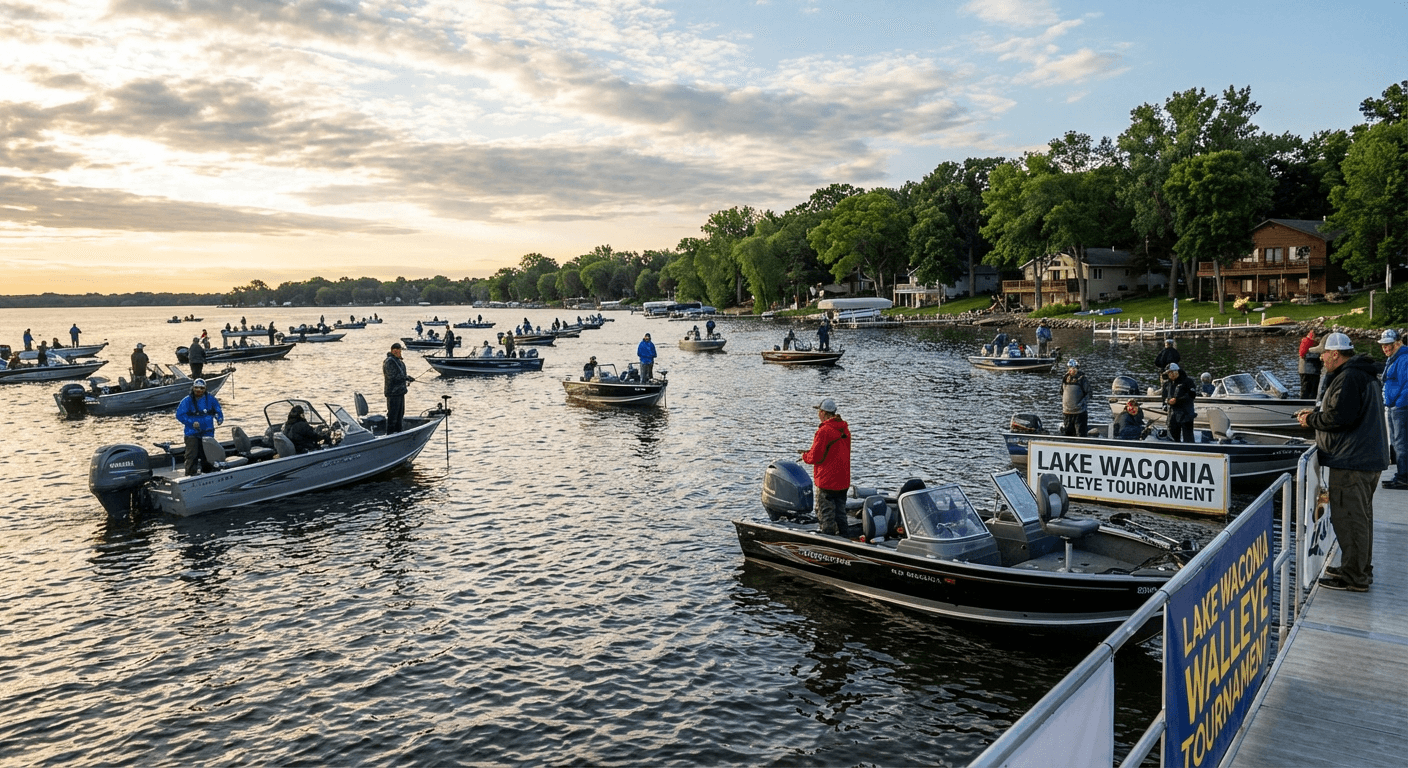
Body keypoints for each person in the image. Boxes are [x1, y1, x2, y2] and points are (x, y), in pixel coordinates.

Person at [1297, 332, 1388, 592]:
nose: (1321, 358)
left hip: (1352, 461)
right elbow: (1346, 412)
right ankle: (1356, 567)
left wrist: (1311, 420)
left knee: (1349, 519)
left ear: (1335, 354)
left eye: (1324, 353)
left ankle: (1355, 577)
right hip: (1363, 458)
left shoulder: (1349, 377)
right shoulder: (1360, 373)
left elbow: (1341, 417)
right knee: (1360, 518)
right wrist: (1318, 415)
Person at [800, 397, 851, 537]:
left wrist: (805, 456)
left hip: (827, 482)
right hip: (843, 481)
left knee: (826, 515)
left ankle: (828, 543)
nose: (818, 414)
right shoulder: (845, 430)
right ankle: (845, 540)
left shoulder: (824, 431)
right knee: (841, 514)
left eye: (819, 411)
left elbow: (814, 457)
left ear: (823, 413)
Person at [1378, 329, 1408, 489]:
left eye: (1389, 345)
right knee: (1397, 443)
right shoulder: (1394, 359)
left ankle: (1404, 477)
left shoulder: (1403, 359)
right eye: (1383, 345)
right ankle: (1401, 475)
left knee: (1402, 444)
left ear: (1398, 343)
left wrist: (1398, 404)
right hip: (1393, 407)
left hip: (1401, 408)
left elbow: (1407, 385)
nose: (1385, 348)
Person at [175, 379, 223, 476]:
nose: (199, 390)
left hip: (207, 432)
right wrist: (191, 422)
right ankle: (189, 475)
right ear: (193, 388)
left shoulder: (211, 399)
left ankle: (208, 474)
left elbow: (218, 411)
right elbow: (179, 415)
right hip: (192, 433)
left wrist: (219, 418)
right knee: (192, 456)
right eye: (196, 388)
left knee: (208, 455)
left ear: (205, 389)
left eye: (201, 388)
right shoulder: (186, 401)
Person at [1162, 363, 1197, 443]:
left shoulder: (1188, 381)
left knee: (1188, 438)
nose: (1172, 375)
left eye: (1173, 372)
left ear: (1178, 371)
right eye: (1169, 373)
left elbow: (1192, 395)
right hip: (1172, 414)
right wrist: (1166, 403)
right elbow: (1164, 397)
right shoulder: (1167, 384)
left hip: (1186, 414)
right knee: (1173, 437)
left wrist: (1177, 400)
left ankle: (1190, 451)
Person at [383, 343, 414, 434]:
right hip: (393, 393)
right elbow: (392, 377)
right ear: (394, 351)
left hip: (400, 392)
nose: (400, 352)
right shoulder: (389, 362)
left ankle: (398, 433)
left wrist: (407, 378)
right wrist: (405, 378)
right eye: (399, 350)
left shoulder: (399, 362)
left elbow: (401, 375)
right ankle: (390, 435)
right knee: (393, 416)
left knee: (400, 416)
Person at [1060, 359, 1091, 437]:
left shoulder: (1082, 379)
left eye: (1074, 368)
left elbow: (1089, 394)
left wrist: (1081, 403)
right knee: (1068, 435)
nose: (1072, 370)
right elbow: (1061, 392)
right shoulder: (1065, 378)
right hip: (1067, 412)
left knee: (1081, 435)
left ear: (1077, 368)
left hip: (1079, 413)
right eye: (1070, 368)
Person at [1299, 328, 1323, 398]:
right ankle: (1306, 404)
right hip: (1310, 371)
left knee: (1306, 390)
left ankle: (1304, 403)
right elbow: (1304, 355)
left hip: (1304, 371)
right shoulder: (1310, 343)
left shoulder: (1304, 343)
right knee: (1310, 391)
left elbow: (1302, 355)